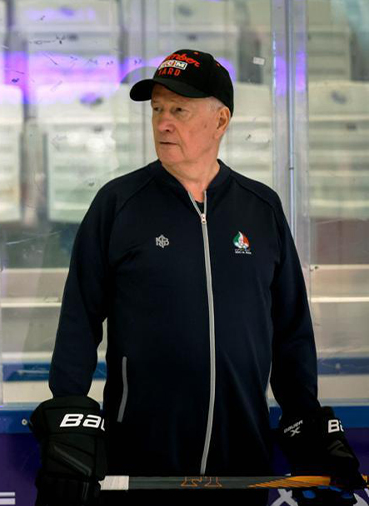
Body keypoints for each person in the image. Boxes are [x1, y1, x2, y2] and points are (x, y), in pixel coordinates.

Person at [30, 49, 366, 506]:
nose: (163, 122)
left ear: (221, 120)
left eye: (180, 109)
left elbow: (291, 330)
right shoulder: (119, 205)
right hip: (140, 465)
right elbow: (79, 317)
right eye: (158, 110)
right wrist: (68, 408)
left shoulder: (260, 209)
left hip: (242, 463)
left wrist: (304, 416)